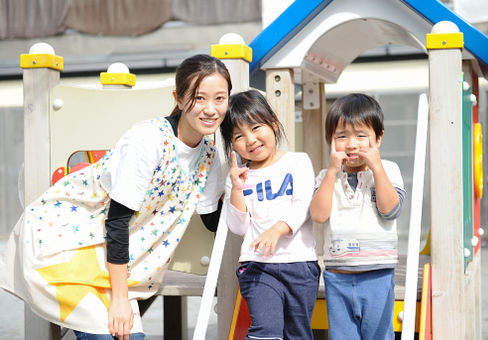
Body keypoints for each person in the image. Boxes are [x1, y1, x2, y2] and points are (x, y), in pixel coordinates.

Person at [0, 54, 231, 339]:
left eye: (220, 98)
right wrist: (120, 301)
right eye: (199, 98)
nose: (210, 109)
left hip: (107, 259)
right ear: (180, 99)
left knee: (128, 335)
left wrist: (242, 194)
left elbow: (211, 220)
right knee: (115, 332)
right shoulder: (149, 140)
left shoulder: (209, 154)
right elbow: (118, 221)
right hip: (64, 244)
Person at [221, 90, 320, 340]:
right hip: (257, 265)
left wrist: (277, 229)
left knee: (298, 333)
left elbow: (304, 204)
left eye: (256, 128)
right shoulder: (237, 177)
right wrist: (236, 189)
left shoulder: (298, 162)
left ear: (273, 123)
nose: (251, 139)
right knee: (266, 330)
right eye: (239, 136)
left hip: (300, 263)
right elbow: (239, 227)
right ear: (232, 144)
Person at [310, 93, 405, 340]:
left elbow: (391, 210)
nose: (351, 145)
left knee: (379, 335)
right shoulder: (325, 177)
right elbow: (318, 216)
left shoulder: (388, 170)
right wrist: (331, 172)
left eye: (362, 136)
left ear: (379, 138)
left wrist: (377, 168)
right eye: (341, 137)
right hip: (337, 276)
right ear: (330, 141)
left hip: (378, 274)